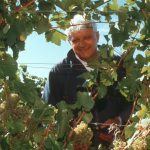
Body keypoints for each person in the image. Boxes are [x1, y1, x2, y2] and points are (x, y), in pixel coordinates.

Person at [42, 14, 132, 148]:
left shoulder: (119, 65)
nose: (82, 44)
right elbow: (47, 115)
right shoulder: (58, 73)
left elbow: (133, 100)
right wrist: (72, 136)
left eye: (87, 37)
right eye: (75, 40)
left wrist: (120, 121)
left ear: (97, 36)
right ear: (69, 42)